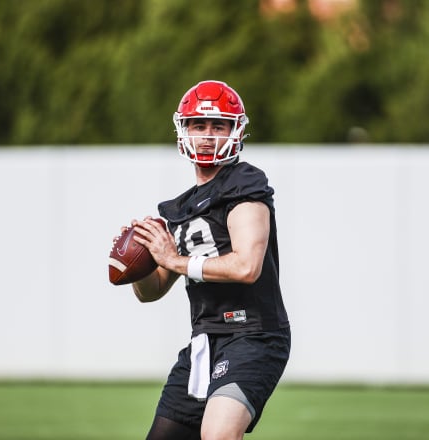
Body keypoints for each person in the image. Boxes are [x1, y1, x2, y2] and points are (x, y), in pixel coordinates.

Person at [125, 80, 290, 440]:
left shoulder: (245, 185)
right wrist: (138, 263)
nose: (207, 135)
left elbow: (247, 266)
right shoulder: (181, 208)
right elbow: (150, 292)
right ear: (183, 131)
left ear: (236, 130)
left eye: (219, 126)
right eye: (199, 126)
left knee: (217, 436)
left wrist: (176, 260)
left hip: (253, 336)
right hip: (204, 342)